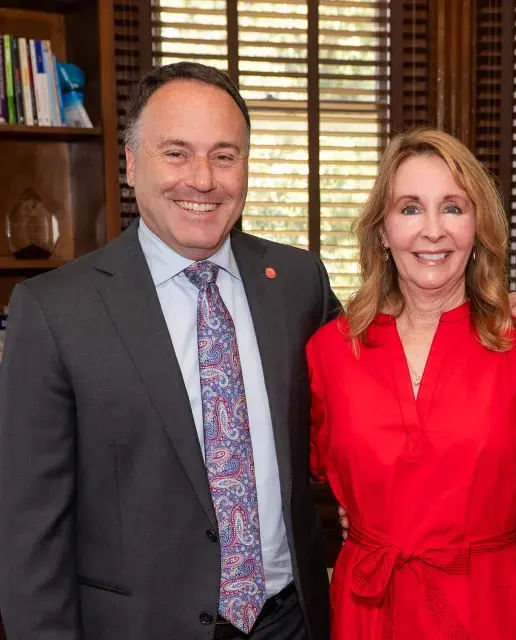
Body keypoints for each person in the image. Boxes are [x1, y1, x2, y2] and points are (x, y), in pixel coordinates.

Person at [0, 62, 337, 640]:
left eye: (225, 156)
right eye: (176, 153)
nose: (203, 180)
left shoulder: (299, 282)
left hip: (291, 621)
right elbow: (29, 532)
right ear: (132, 164)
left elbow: (372, 383)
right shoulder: (54, 311)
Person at [307, 127, 516, 639]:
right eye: (411, 208)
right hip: (368, 608)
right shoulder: (330, 350)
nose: (433, 231)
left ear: (477, 227)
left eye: (453, 208)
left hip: (490, 608)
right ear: (382, 230)